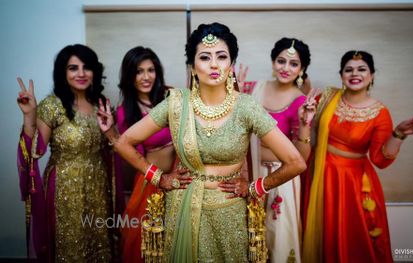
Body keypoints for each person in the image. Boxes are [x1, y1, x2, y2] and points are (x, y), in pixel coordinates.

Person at [97, 22, 307, 262]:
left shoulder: (246, 107)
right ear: (193, 67)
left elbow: (295, 162)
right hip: (182, 208)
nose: (214, 64)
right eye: (205, 57)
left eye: (222, 56)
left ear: (231, 64)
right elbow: (125, 142)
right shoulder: (176, 103)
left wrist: (254, 187)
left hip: (229, 211)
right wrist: (157, 177)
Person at [300, 50, 413, 263]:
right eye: (349, 69)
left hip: (352, 184)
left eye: (362, 69)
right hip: (319, 175)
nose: (355, 74)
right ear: (341, 74)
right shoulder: (326, 98)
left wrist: (398, 133)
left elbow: (380, 160)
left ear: (371, 75)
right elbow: (299, 113)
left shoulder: (380, 113)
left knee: (352, 241)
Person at [16, 44, 120, 262]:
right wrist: (29, 116)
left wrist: (110, 130)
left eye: (86, 67)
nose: (81, 74)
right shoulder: (52, 106)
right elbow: (36, 152)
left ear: (95, 72)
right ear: (63, 73)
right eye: (73, 68)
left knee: (99, 242)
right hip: (64, 188)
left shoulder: (102, 104)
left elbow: (117, 146)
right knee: (71, 246)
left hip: (99, 187)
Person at [238, 37, 313, 263]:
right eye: (281, 61)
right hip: (249, 173)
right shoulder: (251, 89)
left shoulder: (301, 102)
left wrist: (304, 125)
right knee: (248, 233)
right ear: (272, 62)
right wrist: (235, 96)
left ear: (302, 69)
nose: (285, 68)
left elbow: (302, 158)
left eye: (293, 64)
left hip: (283, 179)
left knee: (278, 238)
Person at [116, 46, 175, 263]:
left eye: (151, 70)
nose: (146, 77)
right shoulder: (125, 111)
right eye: (139, 71)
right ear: (129, 75)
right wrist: (160, 178)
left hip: (182, 179)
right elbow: (130, 153)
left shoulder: (171, 96)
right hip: (152, 182)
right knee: (152, 244)